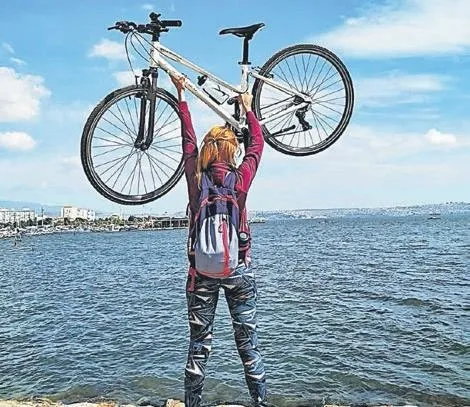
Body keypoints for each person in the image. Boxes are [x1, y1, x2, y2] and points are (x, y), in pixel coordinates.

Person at [171, 74, 267, 407]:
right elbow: (257, 145)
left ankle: (192, 404)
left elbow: (187, 142)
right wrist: (249, 109)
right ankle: (259, 402)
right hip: (238, 270)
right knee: (248, 344)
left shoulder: (196, 178)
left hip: (201, 274)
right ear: (231, 151)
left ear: (207, 150)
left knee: (198, 345)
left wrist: (181, 96)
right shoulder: (239, 179)